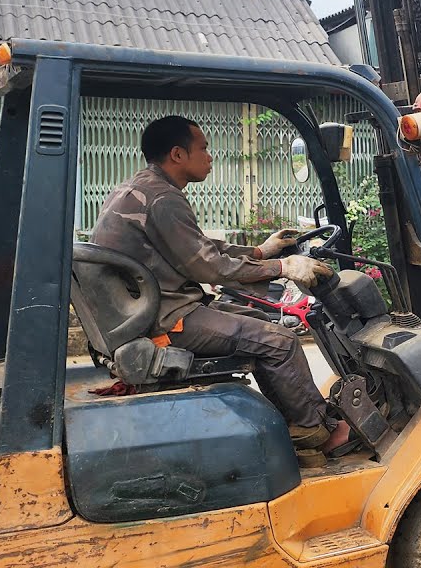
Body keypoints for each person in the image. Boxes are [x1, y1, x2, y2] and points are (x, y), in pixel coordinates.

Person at [91, 115, 351, 465]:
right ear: (178, 154)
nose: (210, 157)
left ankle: (294, 423)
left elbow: (196, 247)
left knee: (264, 325)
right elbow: (207, 266)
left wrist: (261, 252)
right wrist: (284, 267)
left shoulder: (142, 188)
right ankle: (317, 432)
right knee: (281, 341)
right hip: (165, 322)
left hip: (151, 312)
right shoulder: (163, 198)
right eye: (204, 149)